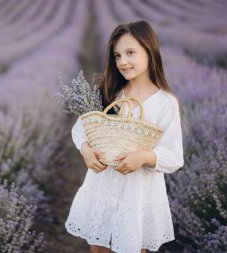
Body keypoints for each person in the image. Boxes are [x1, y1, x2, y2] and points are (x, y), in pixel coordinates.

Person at [64, 20, 185, 253]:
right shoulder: (109, 92)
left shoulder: (165, 103)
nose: (123, 62)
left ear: (150, 52)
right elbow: (81, 129)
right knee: (99, 249)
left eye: (130, 53)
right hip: (103, 188)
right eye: (117, 55)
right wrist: (86, 150)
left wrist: (144, 157)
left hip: (137, 197)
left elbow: (174, 156)